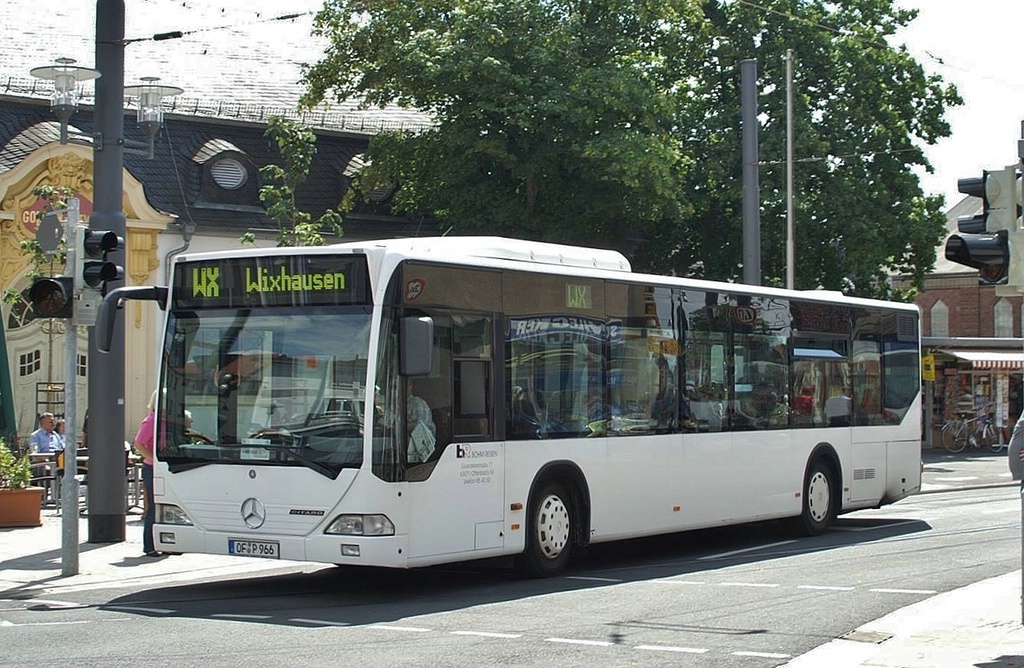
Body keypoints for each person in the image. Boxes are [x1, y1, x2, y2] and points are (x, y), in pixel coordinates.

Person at [132, 390, 162, 557]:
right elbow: (138, 443)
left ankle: (162, 542)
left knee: (160, 507)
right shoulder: (151, 421)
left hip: (161, 467)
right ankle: (149, 545)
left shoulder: (163, 421)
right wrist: (154, 459)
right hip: (152, 468)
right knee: (153, 507)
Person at [406, 391, 436, 463]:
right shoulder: (393, 403)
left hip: (418, 456)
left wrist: (401, 428)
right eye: (390, 387)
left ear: (410, 386)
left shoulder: (417, 403)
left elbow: (421, 428)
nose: (392, 391)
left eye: (394, 387)